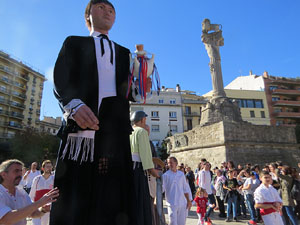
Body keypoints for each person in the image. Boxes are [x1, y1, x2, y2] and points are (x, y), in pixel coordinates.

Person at [50, 1, 149, 224]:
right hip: (82, 126)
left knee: (115, 196)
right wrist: (73, 106)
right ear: (88, 15)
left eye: (111, 10)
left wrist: (140, 87)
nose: (108, 12)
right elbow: (60, 78)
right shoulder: (74, 42)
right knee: (76, 193)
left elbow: (128, 92)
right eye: (101, 7)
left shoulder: (125, 54)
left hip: (115, 132)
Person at [0, 159, 59, 225]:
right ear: (3, 174)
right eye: (16, 171)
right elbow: (5, 219)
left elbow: (33, 213)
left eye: (21, 171)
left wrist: (43, 209)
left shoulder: (21, 192)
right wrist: (40, 202)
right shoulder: (1, 193)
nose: (20, 174)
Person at [130, 111, 159, 225]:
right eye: (145, 120)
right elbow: (146, 155)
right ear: (142, 120)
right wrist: (152, 170)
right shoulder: (141, 132)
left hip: (129, 168)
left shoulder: (129, 132)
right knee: (141, 201)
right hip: (138, 169)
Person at [162, 157, 192, 225]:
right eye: (168, 163)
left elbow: (185, 189)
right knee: (173, 223)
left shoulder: (181, 174)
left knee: (182, 223)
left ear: (176, 163)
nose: (170, 164)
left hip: (182, 203)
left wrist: (188, 200)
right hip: (171, 203)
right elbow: (161, 189)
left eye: (171, 162)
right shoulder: (165, 175)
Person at [29, 160, 55, 225]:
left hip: (48, 208)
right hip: (37, 207)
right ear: (43, 168)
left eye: (50, 167)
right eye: (47, 167)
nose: (49, 168)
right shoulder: (37, 179)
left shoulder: (54, 179)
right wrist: (31, 208)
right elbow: (32, 194)